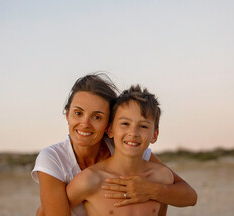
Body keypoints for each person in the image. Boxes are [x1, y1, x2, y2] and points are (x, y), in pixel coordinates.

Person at [31, 73, 197, 216]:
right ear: (67, 114)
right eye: (78, 113)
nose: (85, 123)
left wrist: (152, 190)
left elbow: (187, 195)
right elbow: (44, 213)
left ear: (108, 126)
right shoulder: (57, 161)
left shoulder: (133, 152)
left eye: (97, 117)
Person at [67, 85, 175, 215]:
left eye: (143, 126)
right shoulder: (89, 180)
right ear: (110, 130)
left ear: (155, 135)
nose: (133, 132)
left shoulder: (162, 178)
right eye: (125, 124)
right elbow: (45, 212)